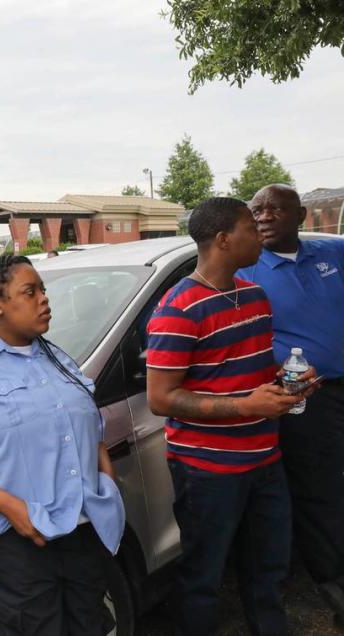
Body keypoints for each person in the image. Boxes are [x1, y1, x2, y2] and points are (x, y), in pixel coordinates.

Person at [0, 254, 125, 635]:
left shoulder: (58, 358)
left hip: (83, 528)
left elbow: (87, 422)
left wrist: (105, 479)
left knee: (91, 626)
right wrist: (14, 509)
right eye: (30, 292)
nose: (43, 299)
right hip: (18, 541)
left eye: (42, 290)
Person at [146, 197, 316, 635]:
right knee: (203, 576)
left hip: (264, 458)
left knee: (268, 567)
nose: (259, 232)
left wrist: (288, 380)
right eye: (248, 226)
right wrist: (245, 406)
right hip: (207, 470)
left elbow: (253, 369)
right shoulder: (177, 309)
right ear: (223, 240)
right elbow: (161, 399)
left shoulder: (254, 296)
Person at [236, 184, 344, 619]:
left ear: (300, 214)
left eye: (273, 209)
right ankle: (334, 580)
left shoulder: (331, 255)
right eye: (256, 211)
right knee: (322, 490)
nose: (262, 217)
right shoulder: (245, 273)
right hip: (307, 398)